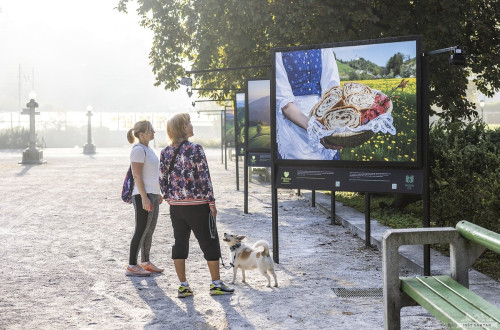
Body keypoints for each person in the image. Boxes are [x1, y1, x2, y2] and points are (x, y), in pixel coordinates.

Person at [160, 113, 234, 297]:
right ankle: (216, 284)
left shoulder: (165, 152)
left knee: (180, 243)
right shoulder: (196, 149)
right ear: (183, 128)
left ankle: (183, 286)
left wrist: (170, 197)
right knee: (209, 242)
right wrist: (211, 202)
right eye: (189, 123)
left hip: (176, 207)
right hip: (198, 204)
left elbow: (162, 179)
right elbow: (204, 177)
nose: (192, 126)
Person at [275, 48, 342, 160]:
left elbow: (332, 90)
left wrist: (326, 125)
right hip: (292, 122)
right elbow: (285, 102)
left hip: (321, 117)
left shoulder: (324, 48)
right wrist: (315, 130)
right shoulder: (279, 50)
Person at [125, 120, 164, 277]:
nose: (153, 132)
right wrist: (144, 198)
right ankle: (132, 265)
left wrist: (157, 193)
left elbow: (152, 174)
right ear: (141, 134)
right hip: (143, 195)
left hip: (152, 194)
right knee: (141, 230)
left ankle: (145, 262)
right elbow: (137, 175)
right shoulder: (138, 150)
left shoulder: (149, 149)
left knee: (149, 230)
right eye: (150, 130)